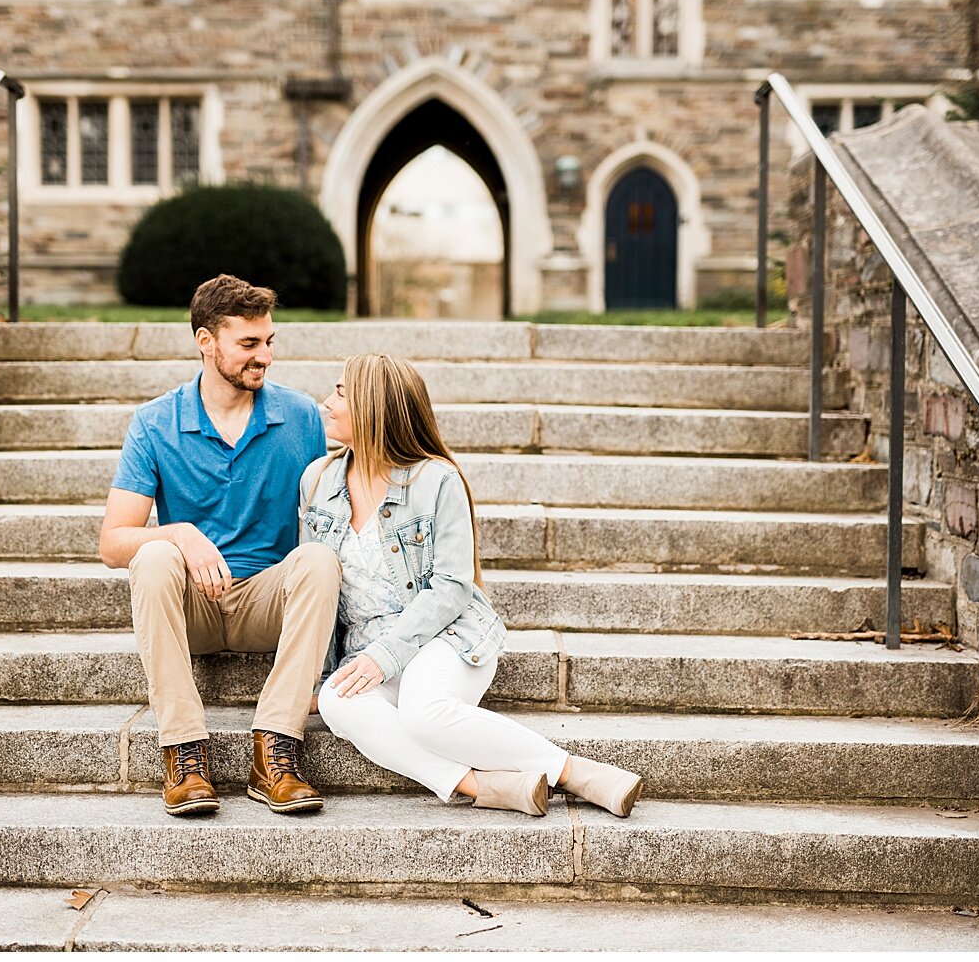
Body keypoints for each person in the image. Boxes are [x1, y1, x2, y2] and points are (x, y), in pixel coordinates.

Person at [303, 353, 644, 817]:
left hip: (444, 637)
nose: (326, 402)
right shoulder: (318, 481)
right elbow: (317, 590)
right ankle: (482, 786)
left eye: (340, 392)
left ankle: (573, 772)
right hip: (368, 648)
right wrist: (321, 673)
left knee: (426, 715)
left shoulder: (436, 480)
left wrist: (387, 655)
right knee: (337, 701)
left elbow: (451, 586)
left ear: (372, 406)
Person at [99, 274, 341, 816]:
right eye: (249, 345)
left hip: (266, 600)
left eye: (270, 342)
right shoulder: (155, 422)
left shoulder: (301, 415)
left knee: (321, 559)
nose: (265, 358)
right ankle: (184, 753)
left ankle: (275, 752)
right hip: (194, 606)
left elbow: (336, 511)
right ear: (206, 342)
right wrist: (181, 533)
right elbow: (114, 543)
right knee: (154, 552)